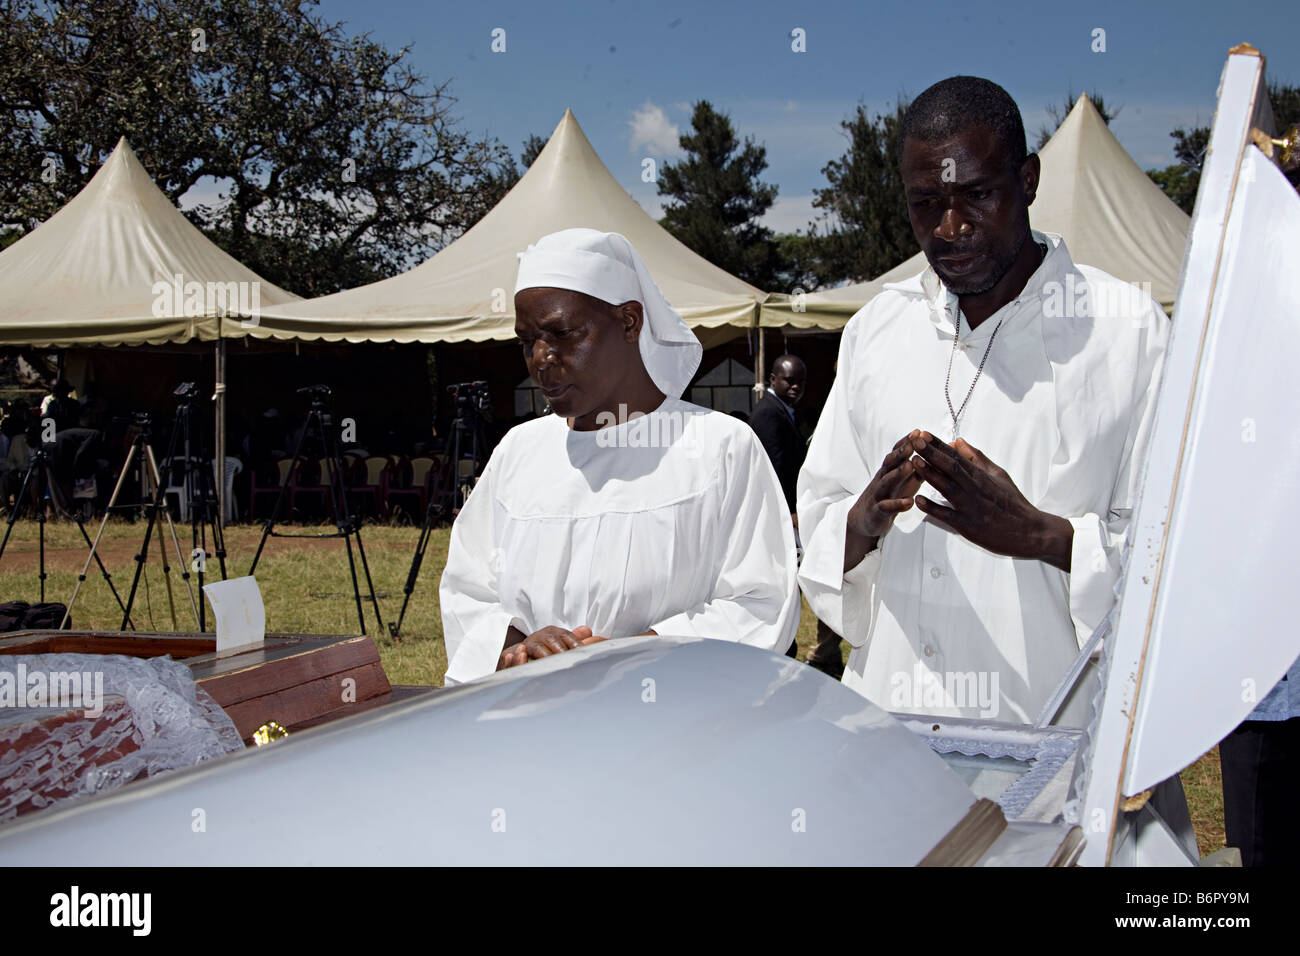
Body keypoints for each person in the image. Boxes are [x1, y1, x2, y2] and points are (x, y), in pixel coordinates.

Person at [796, 76, 1168, 725]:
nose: (950, 227)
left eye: (976, 195)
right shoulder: (877, 331)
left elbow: (1174, 560)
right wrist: (863, 523)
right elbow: (823, 519)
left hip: (1050, 734)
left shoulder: (1124, 331)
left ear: (1027, 180)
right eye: (924, 203)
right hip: (893, 723)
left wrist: (1039, 535)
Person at [439, 228, 800, 684]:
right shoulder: (519, 451)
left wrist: (636, 657)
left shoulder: (719, 447)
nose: (540, 359)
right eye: (527, 340)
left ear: (630, 321)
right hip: (529, 726)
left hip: (672, 731)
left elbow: (761, 604)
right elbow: (467, 590)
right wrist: (515, 647)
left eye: (562, 334)